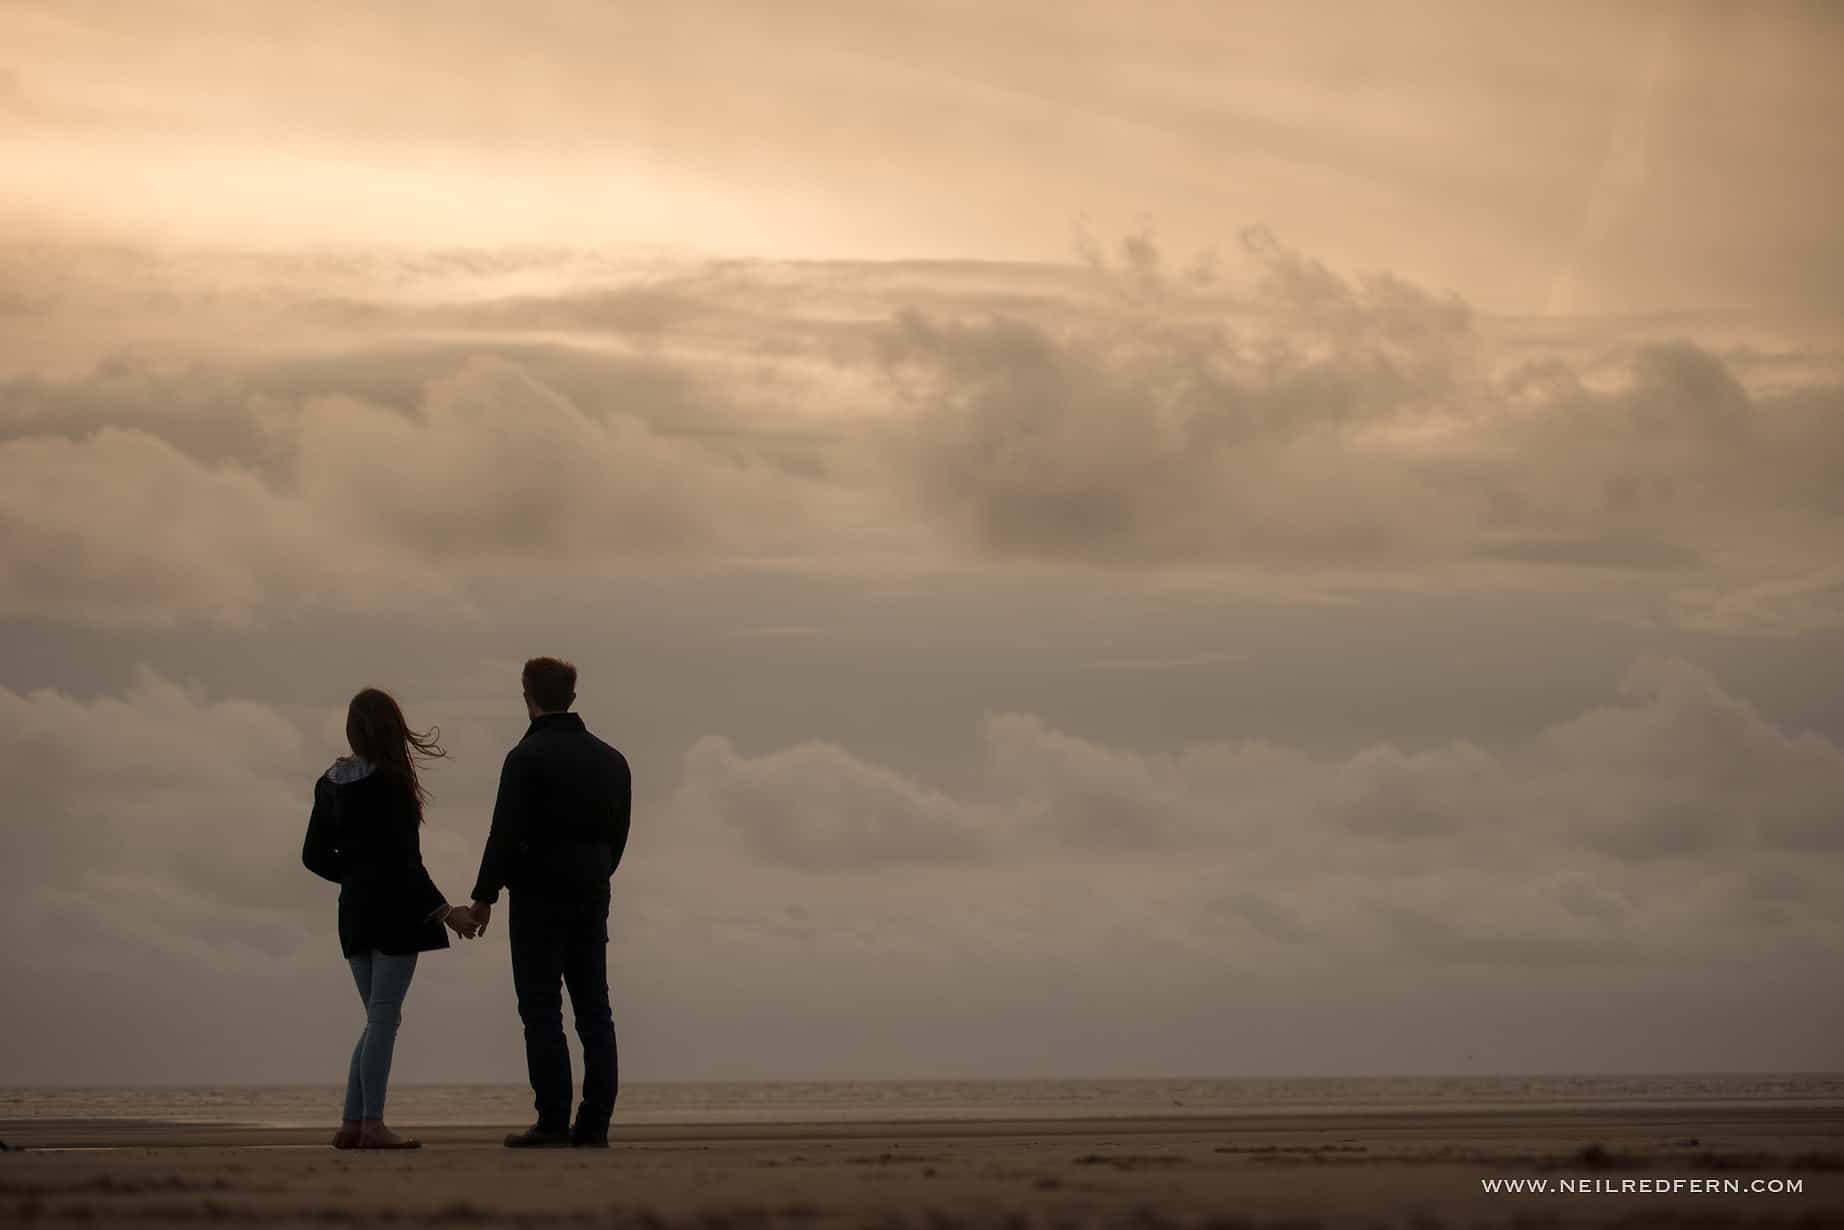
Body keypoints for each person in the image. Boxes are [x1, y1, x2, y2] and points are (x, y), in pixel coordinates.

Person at [458, 657, 632, 1148]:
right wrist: (596, 872)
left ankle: (553, 1119)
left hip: (537, 895)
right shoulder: (611, 759)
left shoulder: (525, 758)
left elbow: (505, 832)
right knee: (594, 1009)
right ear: (572, 698)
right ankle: (594, 1123)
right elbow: (618, 835)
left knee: (540, 1008)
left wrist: (484, 896)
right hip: (591, 889)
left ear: (527, 694)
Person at [303, 687, 479, 1150]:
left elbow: (313, 857)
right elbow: (405, 863)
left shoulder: (329, 782)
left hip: (355, 911)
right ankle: (372, 1124)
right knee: (383, 1018)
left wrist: (357, 876)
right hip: (397, 912)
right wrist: (448, 913)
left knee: (377, 1018)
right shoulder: (392, 782)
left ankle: (352, 1122)